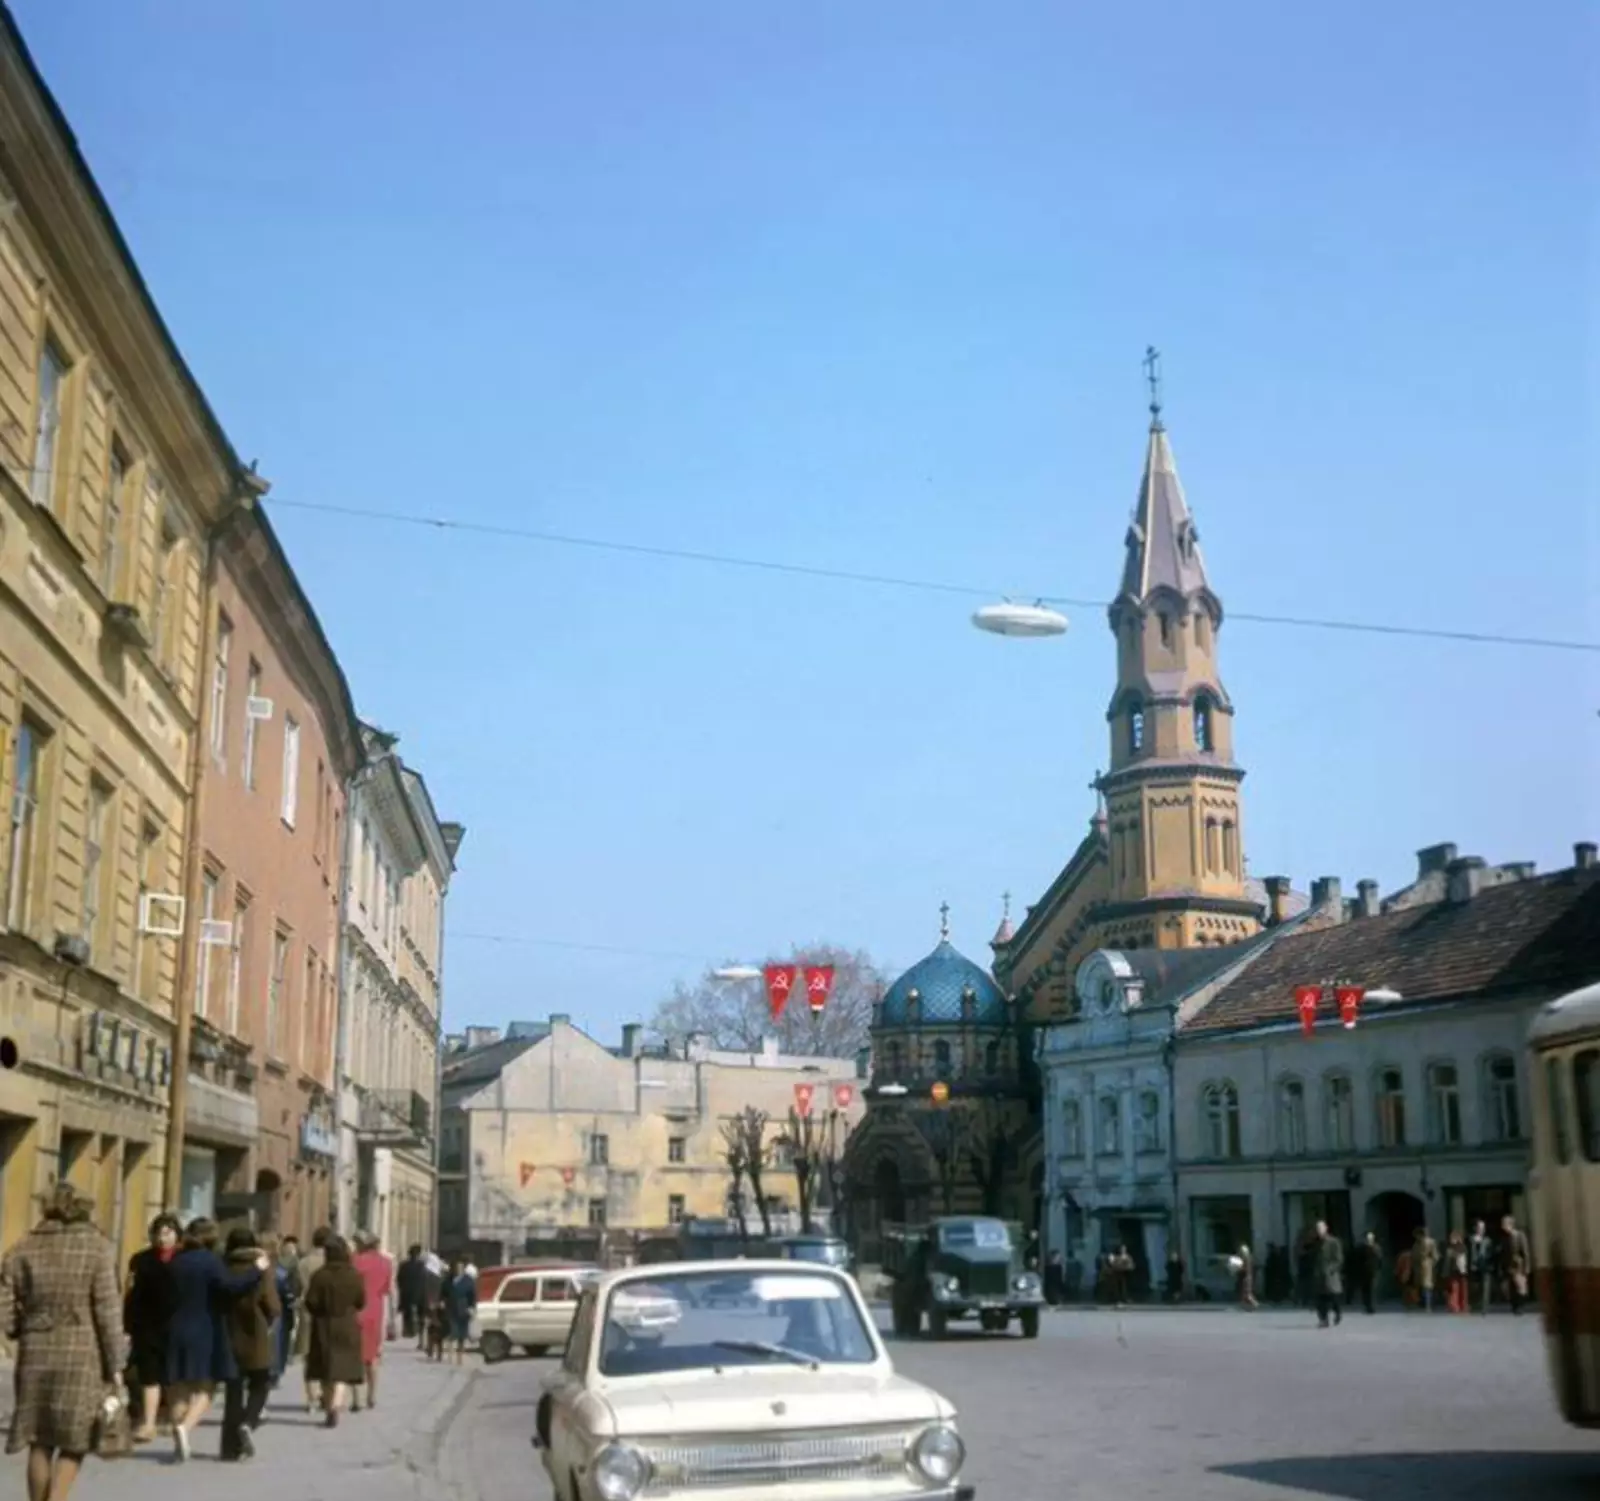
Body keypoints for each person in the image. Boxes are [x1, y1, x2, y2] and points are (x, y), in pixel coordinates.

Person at [1, 1184, 124, 1501]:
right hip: (83, 1352)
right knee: (75, 1438)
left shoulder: (22, 1248)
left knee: (39, 1437)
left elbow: (4, 1302)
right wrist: (117, 1364)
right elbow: (107, 1311)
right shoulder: (97, 1248)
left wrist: (20, 1328)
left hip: (35, 1352)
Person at [163, 1217, 267, 1462]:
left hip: (175, 1326)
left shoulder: (176, 1262)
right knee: (205, 1387)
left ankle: (178, 1428)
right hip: (204, 1327)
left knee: (180, 1384)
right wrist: (257, 1271)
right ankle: (185, 1428)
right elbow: (230, 1286)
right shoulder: (211, 1262)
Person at [219, 1228, 280, 1461]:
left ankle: (229, 1448)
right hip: (256, 1335)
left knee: (233, 1393)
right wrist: (270, 1318)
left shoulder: (224, 1267)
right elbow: (272, 1304)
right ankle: (249, 1421)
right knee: (259, 1384)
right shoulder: (262, 1269)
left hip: (229, 1334)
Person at [123, 1213, 179, 1443]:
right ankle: (148, 1423)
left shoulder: (184, 1260)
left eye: (168, 1233)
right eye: (159, 1233)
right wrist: (127, 1326)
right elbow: (131, 1296)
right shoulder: (141, 1260)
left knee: (172, 1376)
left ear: (177, 1234)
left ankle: (172, 1419)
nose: (163, 1238)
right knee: (149, 1375)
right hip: (146, 1326)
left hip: (175, 1325)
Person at [304, 1236, 365, 1428]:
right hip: (347, 1325)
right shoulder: (354, 1275)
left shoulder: (320, 1276)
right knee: (343, 1370)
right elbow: (361, 1301)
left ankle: (329, 1403)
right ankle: (337, 1404)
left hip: (323, 1324)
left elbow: (310, 1302)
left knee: (325, 1369)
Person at [350, 1232, 393, 1411]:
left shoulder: (355, 1261)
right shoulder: (386, 1263)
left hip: (356, 1309)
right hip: (375, 1310)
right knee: (372, 1356)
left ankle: (356, 1399)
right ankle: (372, 1395)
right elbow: (386, 1289)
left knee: (355, 1355)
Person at [294, 1227, 331, 1414]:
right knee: (327, 1356)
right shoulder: (331, 1262)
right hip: (327, 1313)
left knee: (308, 1357)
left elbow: (297, 1287)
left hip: (307, 1312)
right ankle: (326, 1394)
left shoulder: (304, 1263)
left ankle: (311, 1399)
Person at [439, 1259, 476, 1366]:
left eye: (460, 1268)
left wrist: (471, 1307)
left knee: (462, 1335)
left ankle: (460, 1357)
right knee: (452, 1332)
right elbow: (442, 1293)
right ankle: (450, 1355)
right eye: (456, 1268)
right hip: (451, 1309)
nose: (458, 1270)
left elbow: (472, 1295)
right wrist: (441, 1301)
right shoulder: (448, 1280)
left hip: (463, 1309)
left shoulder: (468, 1281)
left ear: (463, 1269)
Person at [396, 1244, 429, 1345]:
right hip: (420, 1293)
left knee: (407, 1312)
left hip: (407, 1293)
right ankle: (419, 1332)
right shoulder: (422, 1265)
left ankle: (408, 1330)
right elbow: (425, 1280)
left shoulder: (403, 1265)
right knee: (421, 1314)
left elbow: (399, 1279)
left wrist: (402, 1288)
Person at [1313, 1221, 1343, 1328]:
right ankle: (1323, 1319)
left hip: (1331, 1275)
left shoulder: (1334, 1242)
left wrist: (1331, 1269)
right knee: (1320, 1299)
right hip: (1319, 1275)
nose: (1319, 1231)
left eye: (1320, 1228)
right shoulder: (1315, 1243)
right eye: (1317, 1229)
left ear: (1326, 1228)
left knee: (1334, 1297)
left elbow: (1338, 1259)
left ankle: (1338, 1313)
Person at [1500, 1214, 1532, 1315]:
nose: (1503, 1226)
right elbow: (1503, 1253)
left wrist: (1526, 1268)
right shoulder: (1505, 1238)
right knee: (1511, 1288)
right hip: (1508, 1266)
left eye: (1504, 1224)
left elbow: (1525, 1253)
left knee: (1521, 1287)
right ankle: (1514, 1307)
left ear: (1510, 1225)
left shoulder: (1519, 1235)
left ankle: (1520, 1307)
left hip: (1519, 1266)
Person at [1469, 1219, 1494, 1313]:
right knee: (1475, 1286)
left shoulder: (1488, 1240)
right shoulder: (1470, 1239)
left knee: (1486, 1286)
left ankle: (1484, 1307)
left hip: (1485, 1265)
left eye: (1483, 1227)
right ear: (1475, 1228)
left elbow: (1491, 1253)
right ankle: (1475, 1304)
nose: (1481, 1229)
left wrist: (1490, 1263)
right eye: (1480, 1227)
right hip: (1474, 1265)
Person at [1352, 1232, 1382, 1315]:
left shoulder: (1376, 1248)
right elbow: (1357, 1260)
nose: (1368, 1240)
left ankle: (1372, 1307)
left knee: (1372, 1290)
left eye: (1370, 1238)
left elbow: (1379, 1260)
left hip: (1373, 1272)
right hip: (1363, 1272)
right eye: (1367, 1238)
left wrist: (1377, 1270)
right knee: (1365, 1290)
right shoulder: (1361, 1248)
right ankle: (1366, 1305)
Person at [1444, 1231, 1469, 1314]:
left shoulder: (1462, 1247)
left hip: (1461, 1270)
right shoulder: (1450, 1248)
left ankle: (1462, 1306)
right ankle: (1454, 1306)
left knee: (1462, 1289)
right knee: (1454, 1289)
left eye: (1453, 1238)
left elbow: (1462, 1256)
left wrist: (1453, 1254)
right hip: (1453, 1270)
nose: (1451, 1240)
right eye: (1451, 1238)